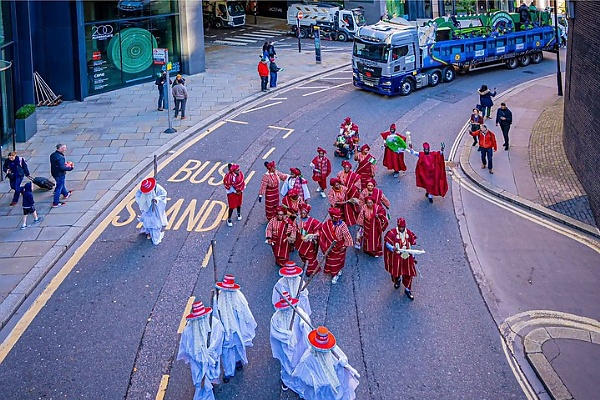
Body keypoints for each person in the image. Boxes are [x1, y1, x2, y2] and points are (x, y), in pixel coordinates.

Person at [288, 326, 360, 399]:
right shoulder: (307, 359)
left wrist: (342, 361)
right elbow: (303, 376)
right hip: (318, 389)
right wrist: (319, 383)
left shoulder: (332, 352)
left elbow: (301, 375)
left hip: (330, 389)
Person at [177, 300, 224, 400]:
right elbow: (187, 345)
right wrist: (198, 356)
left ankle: (211, 383)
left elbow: (218, 338)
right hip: (197, 361)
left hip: (211, 357)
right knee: (200, 380)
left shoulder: (214, 324)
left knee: (211, 374)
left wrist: (209, 352)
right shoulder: (189, 329)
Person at [215, 274, 257, 383]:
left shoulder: (238, 296)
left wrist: (245, 324)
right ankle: (228, 372)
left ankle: (238, 361)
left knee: (238, 345)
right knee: (226, 350)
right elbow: (215, 315)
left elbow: (245, 311)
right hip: (224, 329)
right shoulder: (217, 298)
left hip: (237, 328)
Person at [270, 291, 311, 392]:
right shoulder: (276, 317)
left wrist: (303, 324)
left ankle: (299, 381)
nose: (286, 310)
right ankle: (286, 380)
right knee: (286, 363)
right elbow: (274, 331)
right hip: (285, 345)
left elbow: (306, 321)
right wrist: (285, 336)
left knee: (299, 361)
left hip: (299, 343)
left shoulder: (298, 311)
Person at [383, 218, 418, 300]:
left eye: (402, 227)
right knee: (396, 272)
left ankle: (407, 289)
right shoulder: (392, 233)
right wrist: (392, 248)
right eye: (400, 227)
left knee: (409, 273)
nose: (401, 228)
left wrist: (413, 257)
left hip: (407, 257)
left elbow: (410, 246)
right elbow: (387, 243)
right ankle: (397, 280)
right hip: (397, 257)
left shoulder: (408, 233)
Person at [319, 208, 353, 284]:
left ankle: (335, 274)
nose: (338, 219)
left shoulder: (342, 225)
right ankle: (334, 271)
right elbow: (323, 235)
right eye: (336, 217)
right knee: (331, 261)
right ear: (332, 217)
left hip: (340, 247)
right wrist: (324, 246)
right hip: (330, 247)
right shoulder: (327, 224)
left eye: (338, 217)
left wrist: (345, 246)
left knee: (338, 261)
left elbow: (347, 235)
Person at [135, 177, 168, 245]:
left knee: (155, 222)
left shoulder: (157, 188)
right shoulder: (141, 191)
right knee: (147, 221)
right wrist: (141, 202)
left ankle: (156, 235)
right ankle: (149, 231)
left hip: (155, 208)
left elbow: (163, 194)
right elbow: (138, 196)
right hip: (147, 209)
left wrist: (156, 199)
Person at [295, 203, 321, 276]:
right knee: (302, 255)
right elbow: (294, 228)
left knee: (310, 258)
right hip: (300, 243)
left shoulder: (313, 221)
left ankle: (311, 270)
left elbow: (319, 229)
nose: (303, 214)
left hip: (309, 244)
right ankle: (305, 263)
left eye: (304, 213)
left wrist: (313, 235)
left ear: (307, 213)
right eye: (302, 213)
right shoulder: (297, 220)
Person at [50, 143, 74, 208]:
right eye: (64, 148)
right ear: (61, 148)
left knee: (61, 184)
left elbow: (57, 164)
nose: (65, 149)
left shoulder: (53, 155)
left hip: (54, 173)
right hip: (60, 174)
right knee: (59, 187)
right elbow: (62, 167)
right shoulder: (60, 157)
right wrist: (70, 168)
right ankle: (55, 203)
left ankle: (66, 194)